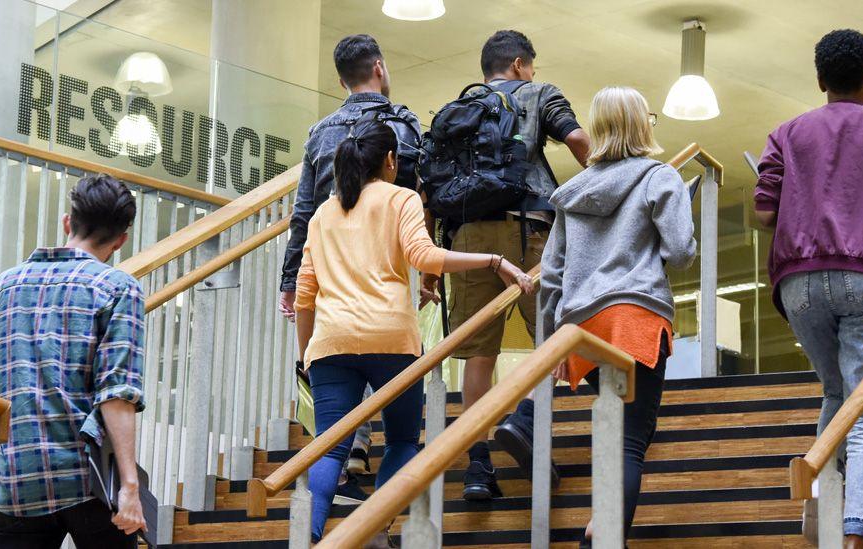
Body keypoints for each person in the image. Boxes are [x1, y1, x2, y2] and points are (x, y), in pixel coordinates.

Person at [295, 119, 533, 546]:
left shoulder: (322, 215)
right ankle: (374, 528)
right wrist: (494, 261)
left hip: (331, 342)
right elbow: (424, 255)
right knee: (402, 440)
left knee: (329, 447)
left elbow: (304, 298)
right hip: (391, 339)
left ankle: (307, 538)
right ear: (390, 160)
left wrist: (307, 357)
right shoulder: (401, 198)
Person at [754, 29, 863, 548]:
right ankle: (853, 537)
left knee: (838, 392)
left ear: (820, 80)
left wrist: (797, 198)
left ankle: (817, 513)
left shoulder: (787, 133)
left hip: (800, 282)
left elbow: (764, 210)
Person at [505, 87, 694, 546]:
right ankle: (601, 537)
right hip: (635, 319)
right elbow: (683, 252)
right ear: (640, 124)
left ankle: (600, 527)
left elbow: (551, 275)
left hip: (582, 329)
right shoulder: (659, 178)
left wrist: (550, 345)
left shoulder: (571, 192)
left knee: (615, 433)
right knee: (630, 441)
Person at [421, 29, 591, 501]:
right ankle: (525, 420)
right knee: (554, 341)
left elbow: (431, 189)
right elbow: (576, 139)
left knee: (479, 356)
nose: (531, 73)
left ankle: (477, 465)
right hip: (529, 235)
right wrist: (613, 175)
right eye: (530, 66)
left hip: (468, 240)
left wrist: (431, 268)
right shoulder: (540, 94)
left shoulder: (456, 111)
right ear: (519, 64)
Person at [281, 33, 421, 500]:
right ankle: (363, 472)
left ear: (341, 80)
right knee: (394, 390)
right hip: (385, 267)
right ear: (379, 68)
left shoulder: (320, 132)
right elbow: (423, 191)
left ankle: (346, 460)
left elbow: (303, 210)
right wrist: (433, 271)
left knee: (336, 380)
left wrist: (289, 281)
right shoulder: (400, 124)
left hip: (327, 268)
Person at [0, 174, 147, 548]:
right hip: (86, 477)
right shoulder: (118, 288)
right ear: (121, 241)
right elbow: (116, 392)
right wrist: (130, 486)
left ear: (67, 222)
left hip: (19, 476)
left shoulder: (8, 283)